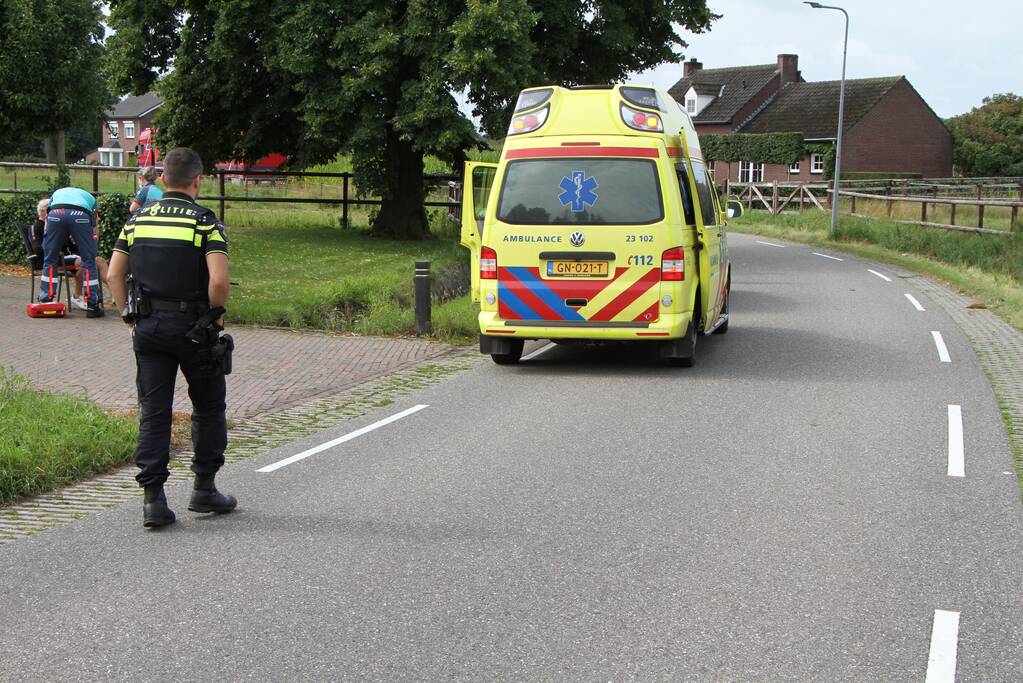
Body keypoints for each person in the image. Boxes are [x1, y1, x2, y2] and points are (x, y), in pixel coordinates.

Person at [108, 147, 236, 528]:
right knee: (209, 406)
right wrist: (214, 316)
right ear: (198, 180)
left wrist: (129, 317)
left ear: (162, 179)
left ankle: (154, 501)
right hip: (195, 328)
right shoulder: (204, 222)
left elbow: (115, 275)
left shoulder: (137, 220)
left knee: (154, 411)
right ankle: (204, 488)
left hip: (148, 328)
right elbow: (218, 280)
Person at [32, 198, 110, 311]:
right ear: (43, 211)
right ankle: (111, 291)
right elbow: (38, 249)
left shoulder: (61, 224)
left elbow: (73, 247)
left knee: (97, 260)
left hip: (69, 257)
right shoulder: (37, 227)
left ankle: (80, 295)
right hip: (54, 259)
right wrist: (54, 245)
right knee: (90, 262)